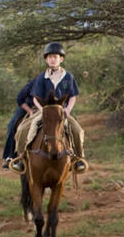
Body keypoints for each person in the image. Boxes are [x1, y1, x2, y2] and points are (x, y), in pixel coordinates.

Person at [11, 42, 88, 173]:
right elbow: (35, 98)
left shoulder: (68, 77)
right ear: (46, 60)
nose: (52, 59)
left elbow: (72, 96)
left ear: (61, 59)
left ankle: (78, 159)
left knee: (77, 130)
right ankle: (21, 158)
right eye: (50, 57)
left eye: (55, 57)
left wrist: (68, 109)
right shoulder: (42, 77)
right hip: (44, 110)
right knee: (24, 128)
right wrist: (42, 110)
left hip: (61, 111)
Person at [1, 77, 35, 169]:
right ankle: (10, 156)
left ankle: (70, 156)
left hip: (49, 108)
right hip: (29, 106)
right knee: (12, 125)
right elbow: (20, 98)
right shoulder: (35, 81)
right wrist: (30, 111)